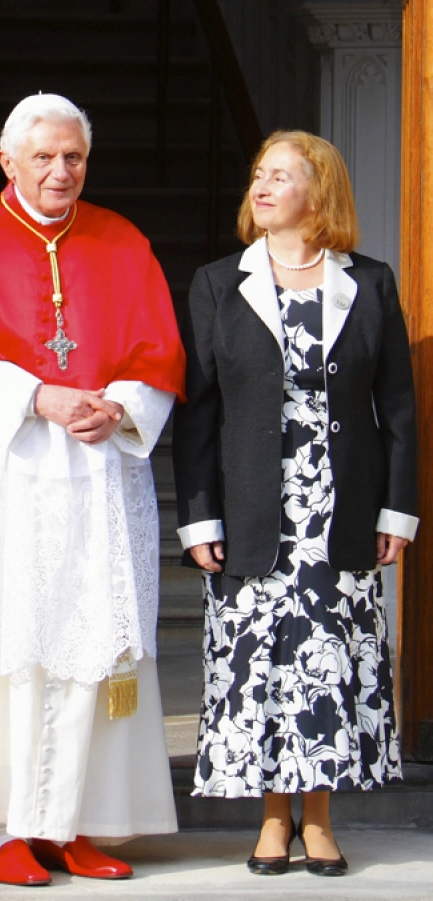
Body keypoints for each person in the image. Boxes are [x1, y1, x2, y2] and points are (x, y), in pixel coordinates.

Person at [0, 93, 185, 886]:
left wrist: (122, 406)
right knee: (5, 642)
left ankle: (76, 822)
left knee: (91, 642)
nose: (62, 171)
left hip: (97, 476)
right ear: (7, 161)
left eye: (74, 157)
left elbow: (159, 355)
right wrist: (37, 397)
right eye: (45, 157)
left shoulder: (120, 238)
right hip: (4, 476)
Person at [172, 131, 417, 877]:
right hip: (252, 508)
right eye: (258, 175)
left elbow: (398, 408)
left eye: (280, 175)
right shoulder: (220, 282)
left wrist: (396, 513)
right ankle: (271, 817)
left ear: (320, 191)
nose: (262, 186)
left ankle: (320, 819)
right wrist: (199, 516)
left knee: (328, 663)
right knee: (259, 664)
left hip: (340, 507)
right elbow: (199, 412)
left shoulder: (369, 282)